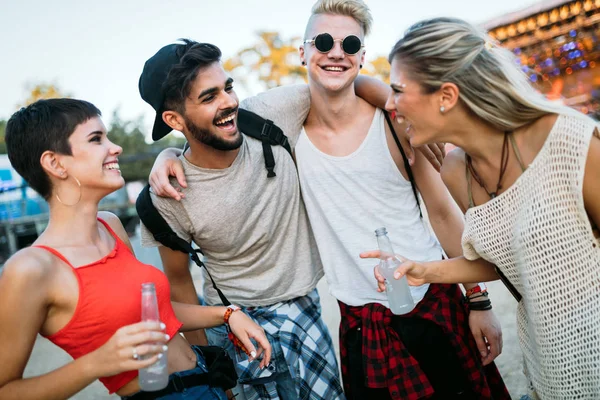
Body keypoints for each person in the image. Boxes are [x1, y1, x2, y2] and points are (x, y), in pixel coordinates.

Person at [149, 2, 509, 399]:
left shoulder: (392, 121)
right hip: (356, 320)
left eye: (350, 43)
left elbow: (442, 214)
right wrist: (167, 156)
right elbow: (207, 136)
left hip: (432, 302)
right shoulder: (288, 131)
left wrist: (479, 301)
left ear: (361, 56)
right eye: (323, 41)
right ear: (303, 52)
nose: (336, 52)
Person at [367, 17, 600, 400]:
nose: (389, 103)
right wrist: (423, 270)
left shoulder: (567, 142)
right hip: (551, 371)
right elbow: (505, 259)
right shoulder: (456, 171)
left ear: (446, 96)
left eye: (396, 90)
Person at [0, 98, 271, 400]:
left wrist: (227, 314)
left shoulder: (110, 226)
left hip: (210, 379)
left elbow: (157, 314)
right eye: (96, 139)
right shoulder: (30, 268)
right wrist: (96, 363)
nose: (115, 148)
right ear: (55, 163)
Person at [137, 40, 345, 400]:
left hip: (304, 305)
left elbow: (347, 84)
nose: (229, 102)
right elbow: (180, 284)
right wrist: (212, 367)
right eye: (209, 97)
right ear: (173, 120)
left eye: (228, 87)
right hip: (234, 325)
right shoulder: (166, 197)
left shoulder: (269, 113)